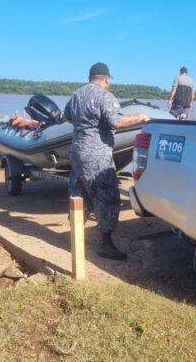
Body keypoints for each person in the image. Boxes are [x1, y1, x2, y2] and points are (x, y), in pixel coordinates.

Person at [64, 62, 151, 260]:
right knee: (107, 196)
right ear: (106, 78)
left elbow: (67, 117)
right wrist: (141, 116)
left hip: (77, 151)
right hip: (97, 155)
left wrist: (86, 126)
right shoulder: (105, 96)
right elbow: (117, 121)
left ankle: (75, 236)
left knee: (79, 194)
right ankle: (105, 243)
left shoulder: (77, 94)